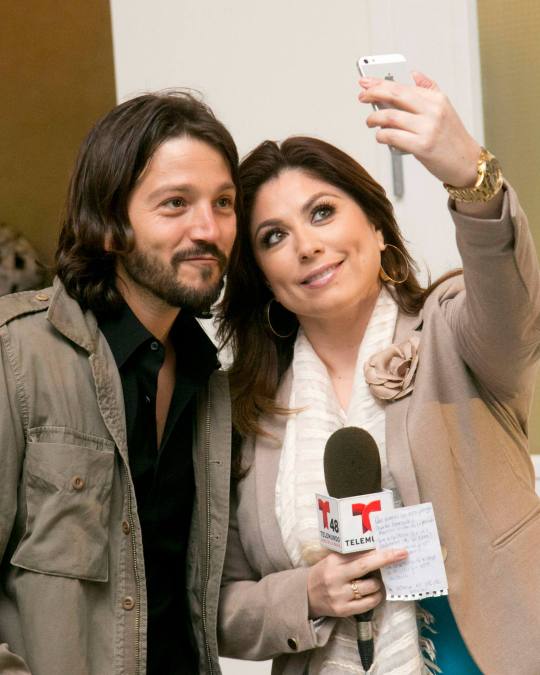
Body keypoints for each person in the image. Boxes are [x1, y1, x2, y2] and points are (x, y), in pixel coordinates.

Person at [217, 72, 540, 674]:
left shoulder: (454, 333)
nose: (306, 246)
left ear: (374, 222)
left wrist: (470, 176)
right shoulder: (244, 407)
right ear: (261, 274)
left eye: (322, 212)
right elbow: (218, 605)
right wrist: (306, 595)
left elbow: (515, 307)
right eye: (274, 236)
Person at [0, 91, 239, 675]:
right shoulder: (17, 355)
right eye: (176, 203)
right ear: (108, 226)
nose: (208, 228)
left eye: (223, 202)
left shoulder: (211, 385)